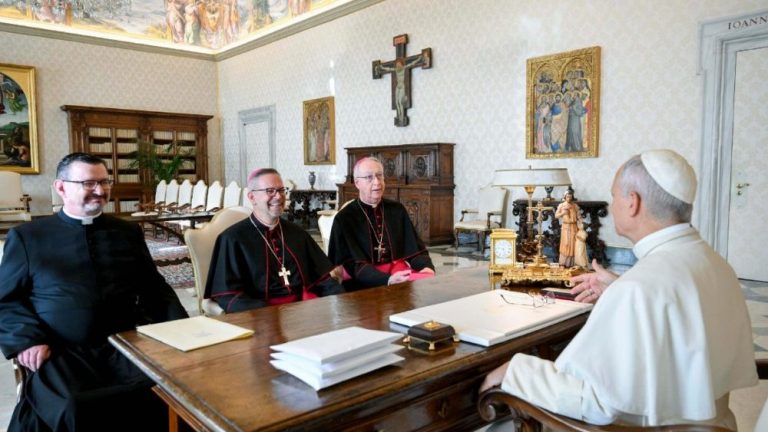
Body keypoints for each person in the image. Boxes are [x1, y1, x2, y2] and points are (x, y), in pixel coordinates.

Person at [480, 149, 757, 429]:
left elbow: (596, 404)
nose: (613, 206)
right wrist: (619, 287)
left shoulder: (638, 289)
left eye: (614, 197)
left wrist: (516, 370)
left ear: (633, 203)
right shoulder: (715, 263)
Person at [0, 152, 188, 431]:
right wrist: (27, 340)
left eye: (104, 182)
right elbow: (7, 299)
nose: (100, 191)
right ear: (61, 187)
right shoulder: (28, 237)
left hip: (124, 344)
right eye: (88, 183)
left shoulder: (127, 232)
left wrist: (182, 330)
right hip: (61, 350)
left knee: (164, 390)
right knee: (75, 405)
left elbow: (154, 287)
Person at [204, 168, 343, 313]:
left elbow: (321, 279)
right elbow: (229, 296)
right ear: (252, 197)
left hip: (304, 311)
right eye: (270, 191)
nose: (278, 196)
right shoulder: (232, 239)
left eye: (281, 190)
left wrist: (342, 300)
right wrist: (270, 314)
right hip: (262, 316)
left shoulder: (297, 233)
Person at [328, 157, 434, 290]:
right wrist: (387, 280)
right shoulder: (345, 218)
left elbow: (414, 249)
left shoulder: (397, 210)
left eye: (379, 176)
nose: (377, 182)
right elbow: (353, 265)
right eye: (369, 177)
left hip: (400, 277)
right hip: (361, 285)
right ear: (357, 183)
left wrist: (426, 267)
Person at [555, 189, 581, 267]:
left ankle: (572, 263)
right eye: (567, 197)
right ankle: (563, 263)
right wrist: (563, 213)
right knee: (566, 244)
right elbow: (556, 215)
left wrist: (581, 224)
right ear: (565, 197)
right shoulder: (561, 205)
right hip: (566, 227)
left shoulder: (575, 206)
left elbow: (579, 216)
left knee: (573, 244)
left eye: (570, 197)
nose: (569, 198)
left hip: (574, 226)